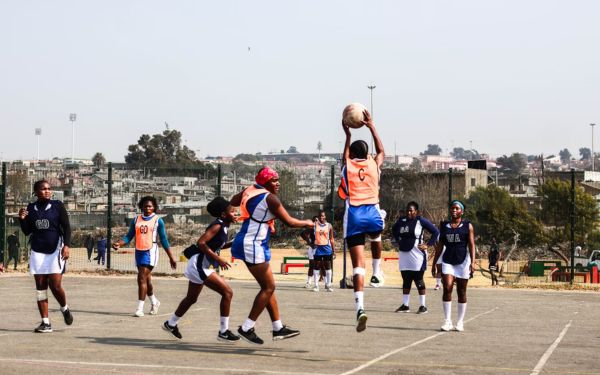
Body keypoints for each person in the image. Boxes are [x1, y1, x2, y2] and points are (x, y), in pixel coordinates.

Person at [230, 166, 314, 344]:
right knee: (268, 287)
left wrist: (247, 192)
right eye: (273, 181)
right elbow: (290, 222)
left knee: (267, 288)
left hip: (249, 241)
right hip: (252, 244)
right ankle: (247, 327)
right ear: (265, 182)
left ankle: (278, 328)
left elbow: (233, 200)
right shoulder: (270, 199)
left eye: (277, 180)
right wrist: (307, 222)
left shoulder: (250, 190)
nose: (278, 183)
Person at [163, 197, 240, 342]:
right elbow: (201, 243)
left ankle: (171, 324)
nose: (235, 213)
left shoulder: (224, 226)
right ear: (224, 214)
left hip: (199, 265)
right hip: (198, 265)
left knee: (191, 298)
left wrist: (235, 242)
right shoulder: (217, 225)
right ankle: (223, 332)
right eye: (232, 211)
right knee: (228, 292)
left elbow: (218, 245)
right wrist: (218, 259)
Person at [338, 108, 385, 332]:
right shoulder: (374, 164)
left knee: (358, 266)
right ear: (367, 154)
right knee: (377, 233)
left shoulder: (347, 166)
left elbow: (345, 154)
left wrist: (347, 134)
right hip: (372, 212)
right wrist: (371, 126)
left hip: (354, 215)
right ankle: (378, 272)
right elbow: (382, 150)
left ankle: (360, 307)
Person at [18, 179, 74, 333]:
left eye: (49, 188)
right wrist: (21, 219)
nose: (47, 191)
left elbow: (67, 227)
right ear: (36, 192)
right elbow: (27, 231)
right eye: (43, 189)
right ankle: (45, 322)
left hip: (55, 249)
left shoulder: (57, 206)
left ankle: (64, 308)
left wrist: (67, 246)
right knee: (41, 287)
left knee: (55, 285)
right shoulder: (31, 208)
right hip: (37, 250)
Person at [112, 196, 177, 317]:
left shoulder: (158, 221)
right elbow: (129, 236)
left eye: (150, 206)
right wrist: (119, 243)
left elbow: (163, 240)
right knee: (146, 280)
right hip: (139, 251)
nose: (148, 208)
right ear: (141, 206)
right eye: (145, 206)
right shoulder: (136, 220)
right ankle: (154, 301)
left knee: (141, 277)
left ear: (154, 208)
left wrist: (171, 257)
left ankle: (139, 308)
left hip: (150, 251)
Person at [431, 200, 476, 332]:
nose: (454, 210)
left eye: (457, 208)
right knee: (447, 287)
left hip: (462, 261)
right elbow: (440, 246)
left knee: (461, 291)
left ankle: (460, 322)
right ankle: (447, 321)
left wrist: (473, 262)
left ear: (462, 211)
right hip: (448, 261)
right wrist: (434, 263)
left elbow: (472, 245)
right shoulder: (444, 225)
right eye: (452, 208)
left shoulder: (468, 226)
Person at [391, 201, 439, 314]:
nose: (408, 212)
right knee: (406, 279)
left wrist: (428, 244)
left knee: (418, 279)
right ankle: (405, 305)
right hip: (404, 254)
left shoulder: (420, 221)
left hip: (417, 254)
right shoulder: (401, 221)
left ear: (416, 211)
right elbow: (394, 230)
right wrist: (398, 240)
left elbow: (435, 232)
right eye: (407, 210)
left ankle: (423, 306)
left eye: (411, 210)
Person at [312, 210, 335, 292]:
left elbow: (332, 238)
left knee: (328, 266)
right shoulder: (315, 225)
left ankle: (328, 285)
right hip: (318, 248)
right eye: (320, 216)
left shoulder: (329, 226)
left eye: (323, 216)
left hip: (327, 248)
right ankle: (316, 285)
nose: (322, 217)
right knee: (316, 266)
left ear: (325, 216)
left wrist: (333, 250)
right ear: (318, 217)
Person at [300, 216, 318, 289]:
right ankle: (309, 282)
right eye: (315, 220)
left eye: (317, 220)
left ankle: (322, 282)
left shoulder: (323, 228)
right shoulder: (312, 228)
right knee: (311, 265)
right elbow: (302, 234)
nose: (316, 221)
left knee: (319, 265)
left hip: (320, 248)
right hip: (312, 248)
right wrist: (310, 243)